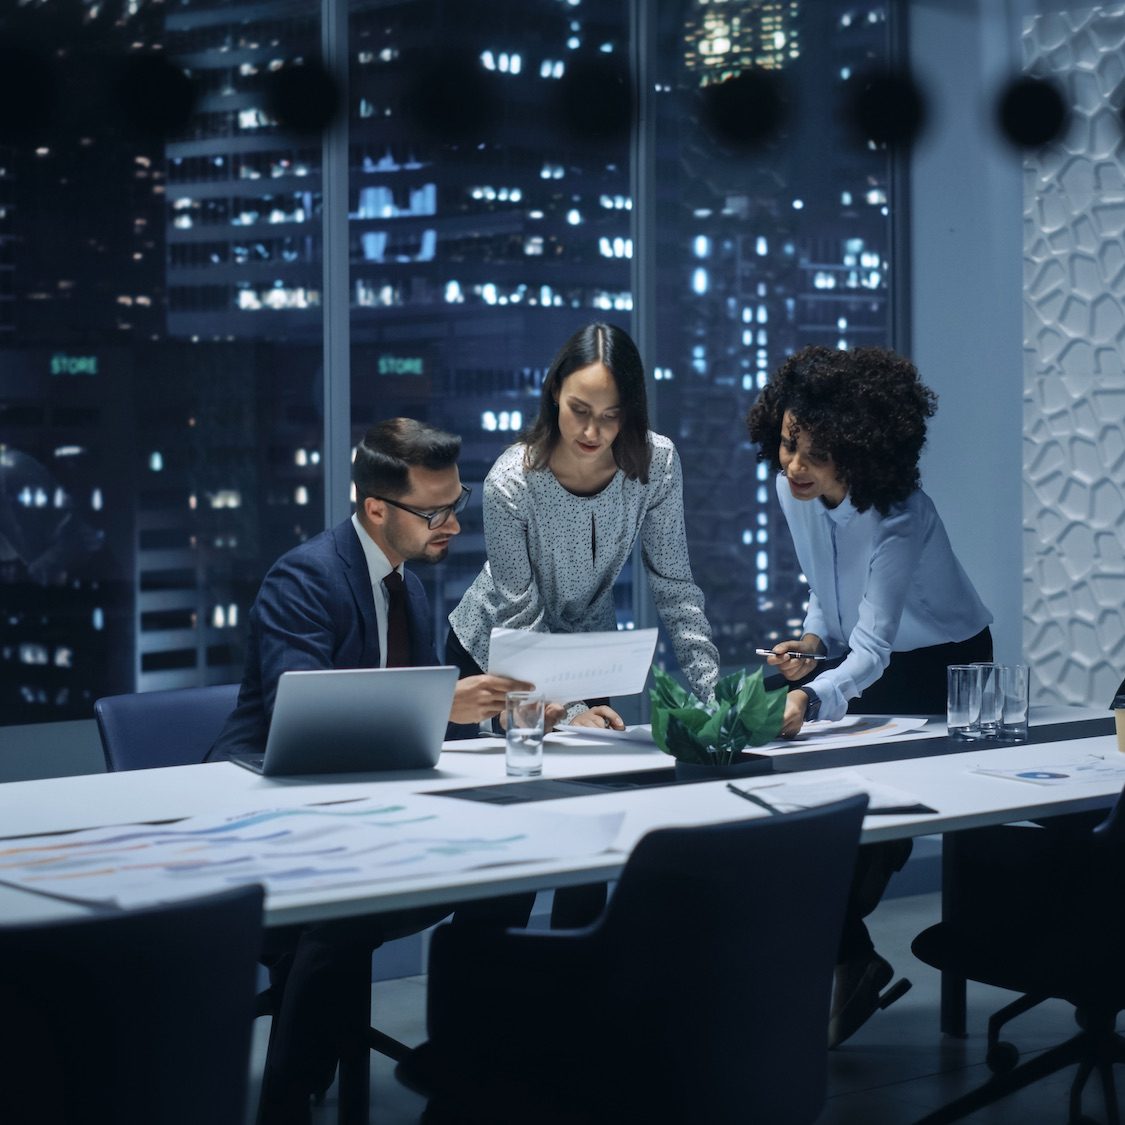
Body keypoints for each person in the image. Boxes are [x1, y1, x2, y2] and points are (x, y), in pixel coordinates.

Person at [209, 419, 532, 1124]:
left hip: (365, 807)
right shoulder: (307, 575)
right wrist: (441, 699)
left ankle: (460, 1058)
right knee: (340, 912)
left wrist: (500, 708)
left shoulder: (408, 589)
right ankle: (286, 1103)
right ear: (375, 507)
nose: (450, 522)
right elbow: (307, 713)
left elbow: (417, 723)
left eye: (457, 503)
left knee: (508, 876)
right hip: (268, 805)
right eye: (432, 510)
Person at [746, 344, 993, 1048]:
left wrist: (814, 696)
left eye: (813, 454)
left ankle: (845, 963)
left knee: (876, 822)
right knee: (794, 795)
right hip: (861, 654)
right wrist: (809, 641)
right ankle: (848, 958)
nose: (792, 465)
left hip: (941, 663)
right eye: (788, 442)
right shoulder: (788, 489)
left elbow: (876, 649)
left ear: (858, 452)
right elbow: (831, 596)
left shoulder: (899, 514)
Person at [447, 321, 720, 730]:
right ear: (555, 391)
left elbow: (675, 587)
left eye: (611, 416)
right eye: (580, 410)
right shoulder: (510, 482)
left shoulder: (656, 464)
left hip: (585, 656)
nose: (593, 431)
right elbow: (520, 614)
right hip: (497, 657)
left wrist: (716, 701)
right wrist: (572, 712)